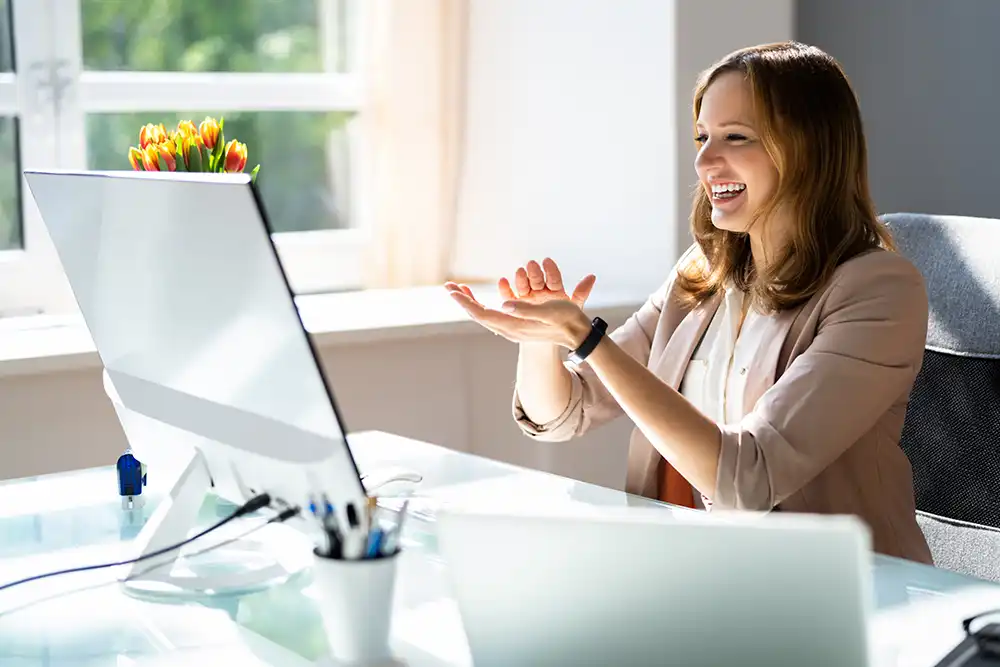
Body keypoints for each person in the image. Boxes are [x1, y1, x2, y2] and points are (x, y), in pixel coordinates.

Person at [444, 41, 932, 564]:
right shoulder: (703, 273)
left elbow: (749, 480)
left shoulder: (879, 289)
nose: (704, 161)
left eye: (735, 137)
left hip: (832, 592)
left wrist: (586, 339)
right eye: (702, 137)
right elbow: (567, 412)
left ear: (810, 149)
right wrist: (543, 342)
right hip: (689, 574)